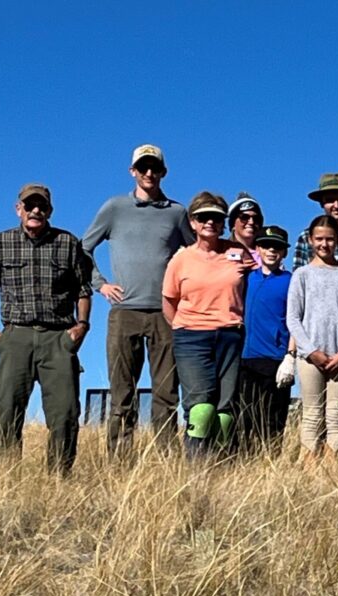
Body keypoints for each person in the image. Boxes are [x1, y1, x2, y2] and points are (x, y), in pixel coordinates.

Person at [82, 144, 194, 459]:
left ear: (163, 172)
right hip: (124, 312)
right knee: (122, 394)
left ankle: (166, 461)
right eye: (142, 168)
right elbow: (83, 249)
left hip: (166, 314)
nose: (148, 173)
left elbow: (195, 253)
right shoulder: (115, 208)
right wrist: (100, 284)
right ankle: (120, 462)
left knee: (166, 393)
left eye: (154, 168)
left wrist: (184, 294)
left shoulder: (176, 212)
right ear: (132, 171)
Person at [0, 184, 92, 474]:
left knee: (66, 413)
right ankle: (6, 479)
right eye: (29, 205)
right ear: (18, 208)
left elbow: (83, 289)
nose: (35, 211)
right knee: (7, 412)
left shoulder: (68, 242)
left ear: (49, 211)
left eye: (41, 206)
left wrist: (81, 327)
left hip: (58, 337)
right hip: (15, 335)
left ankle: (59, 479)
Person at [162, 192, 257, 459]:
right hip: (192, 337)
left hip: (230, 335)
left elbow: (261, 276)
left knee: (224, 411)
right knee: (201, 407)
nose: (210, 222)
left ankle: (221, 467)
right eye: (203, 217)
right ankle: (195, 467)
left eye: (216, 217)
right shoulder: (181, 259)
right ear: (192, 222)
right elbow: (169, 300)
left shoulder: (238, 253)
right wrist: (183, 327)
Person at [286, 215, 338, 459]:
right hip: (310, 358)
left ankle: (333, 468)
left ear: (337, 241)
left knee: (336, 415)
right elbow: (293, 318)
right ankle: (308, 468)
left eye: (329, 239)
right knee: (312, 415)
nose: (324, 244)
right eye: (319, 239)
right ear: (310, 240)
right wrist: (311, 351)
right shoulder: (302, 274)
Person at [236, 225, 296, 456]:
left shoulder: (290, 281)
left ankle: (270, 462)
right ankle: (246, 462)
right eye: (266, 245)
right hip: (247, 358)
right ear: (258, 249)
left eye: (277, 247)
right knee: (246, 417)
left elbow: (296, 321)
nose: (271, 250)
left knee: (273, 419)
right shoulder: (247, 278)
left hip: (276, 359)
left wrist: (290, 357)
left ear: (284, 252)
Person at [292, 173, 338, 269]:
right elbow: (298, 273)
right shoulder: (306, 236)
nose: (336, 205)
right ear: (321, 203)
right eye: (330, 200)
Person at [228, 192, 264, 266]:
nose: (251, 222)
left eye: (256, 218)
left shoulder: (267, 254)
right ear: (233, 224)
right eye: (244, 217)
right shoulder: (222, 251)